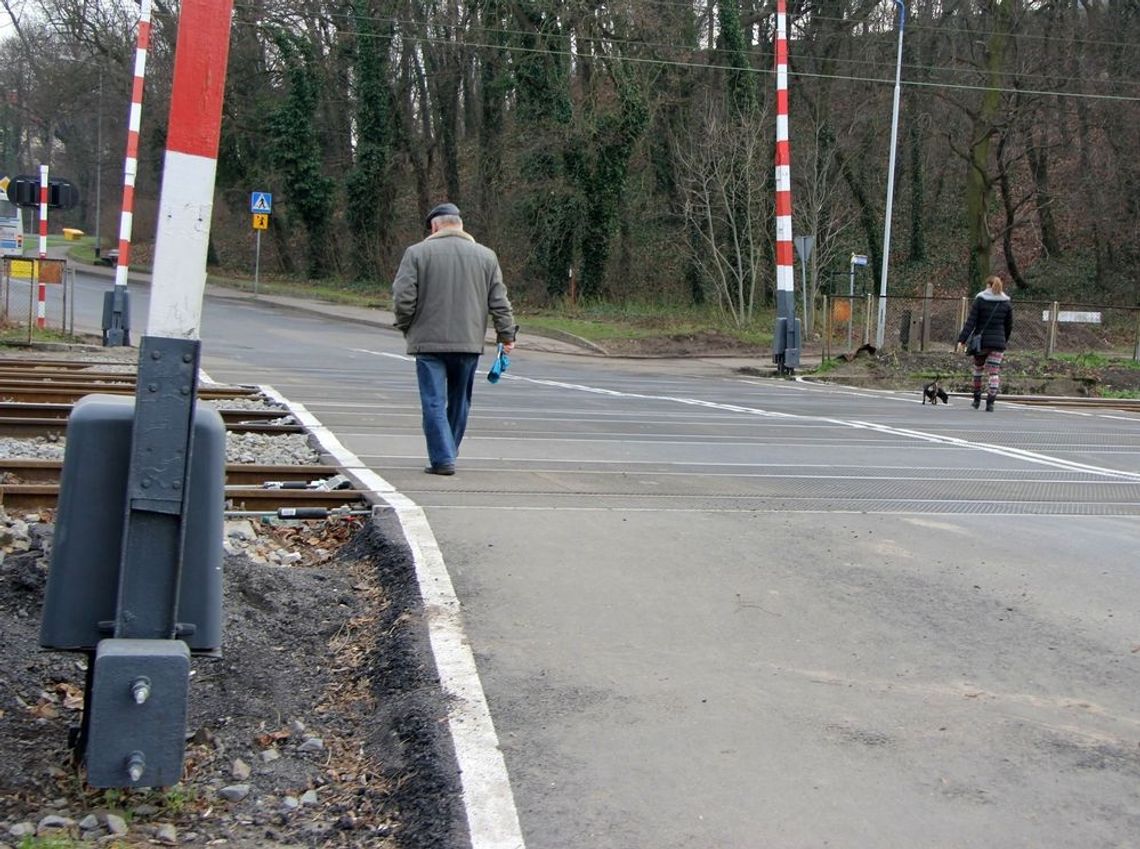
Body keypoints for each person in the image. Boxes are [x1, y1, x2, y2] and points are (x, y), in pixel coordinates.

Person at [392, 202, 517, 475]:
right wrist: (506, 335)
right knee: (460, 401)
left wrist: (406, 327)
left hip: (428, 343)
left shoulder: (416, 253)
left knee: (433, 401)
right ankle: (448, 452)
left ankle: (443, 458)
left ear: (435, 226)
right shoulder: (486, 257)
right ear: (460, 225)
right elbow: (499, 301)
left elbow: (403, 299)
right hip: (468, 343)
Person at [955, 275, 1013, 411]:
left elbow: (971, 322)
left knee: (978, 370)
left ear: (988, 285)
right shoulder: (1006, 303)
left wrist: (962, 340)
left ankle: (976, 399)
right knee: (994, 373)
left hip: (981, 343)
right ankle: (990, 402)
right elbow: (1009, 326)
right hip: (998, 343)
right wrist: (1004, 340)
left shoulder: (980, 300)